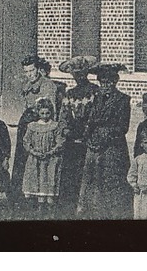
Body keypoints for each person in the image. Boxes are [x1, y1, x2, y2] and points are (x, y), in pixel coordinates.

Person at [77, 63, 133, 219]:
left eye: (109, 82)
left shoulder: (123, 100)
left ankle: (114, 214)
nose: (106, 86)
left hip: (112, 146)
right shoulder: (94, 99)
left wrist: (105, 137)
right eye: (103, 82)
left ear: (115, 82)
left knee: (112, 180)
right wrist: (88, 137)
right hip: (93, 144)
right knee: (91, 179)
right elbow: (88, 120)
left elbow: (123, 127)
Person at [11, 56, 64, 205]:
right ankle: (23, 195)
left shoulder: (48, 85)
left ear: (38, 69)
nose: (30, 74)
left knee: (40, 161)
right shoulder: (27, 85)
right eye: (26, 71)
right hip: (27, 125)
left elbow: (50, 109)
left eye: (32, 70)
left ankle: (41, 196)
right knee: (24, 159)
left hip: (41, 126)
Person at [55, 56, 98, 216]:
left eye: (81, 74)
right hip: (72, 141)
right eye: (75, 74)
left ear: (87, 73)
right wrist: (65, 131)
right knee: (69, 177)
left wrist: (87, 132)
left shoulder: (95, 91)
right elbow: (63, 117)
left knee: (88, 177)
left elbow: (95, 115)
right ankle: (68, 210)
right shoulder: (69, 94)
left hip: (89, 140)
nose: (79, 77)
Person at [20, 98, 62, 214]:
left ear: (51, 112)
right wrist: (34, 152)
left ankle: (50, 211)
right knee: (36, 183)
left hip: (50, 160)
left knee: (49, 184)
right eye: (42, 113)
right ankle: (38, 211)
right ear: (38, 112)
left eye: (47, 113)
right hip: (35, 159)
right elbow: (26, 142)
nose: (45, 116)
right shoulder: (32, 126)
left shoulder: (55, 126)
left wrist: (50, 152)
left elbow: (60, 142)